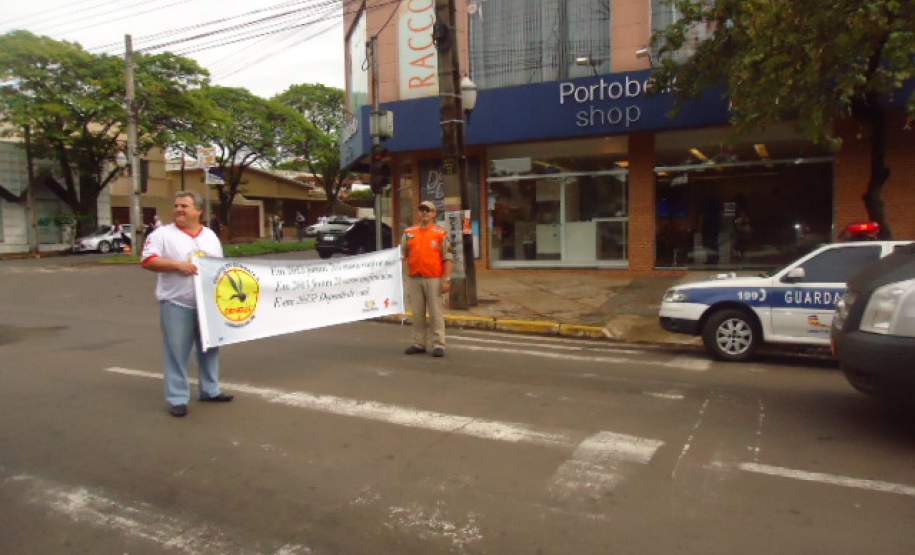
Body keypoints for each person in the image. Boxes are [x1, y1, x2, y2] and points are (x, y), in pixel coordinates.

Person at [141, 191, 233, 418]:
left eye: (185, 206)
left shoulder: (210, 235)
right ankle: (177, 398)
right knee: (177, 353)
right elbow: (148, 260)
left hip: (208, 305)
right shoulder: (162, 234)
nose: (179, 209)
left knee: (210, 349)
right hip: (176, 303)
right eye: (176, 205)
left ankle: (210, 390)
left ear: (198, 211)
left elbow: (219, 268)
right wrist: (177, 265)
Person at [402, 200, 453, 357]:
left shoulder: (440, 233)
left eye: (428, 210)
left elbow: (448, 257)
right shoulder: (409, 233)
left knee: (436, 312)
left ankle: (439, 344)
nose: (424, 213)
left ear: (434, 214)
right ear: (418, 213)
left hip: (434, 279)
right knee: (417, 313)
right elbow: (402, 255)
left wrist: (447, 279)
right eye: (421, 210)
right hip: (414, 278)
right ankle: (419, 343)